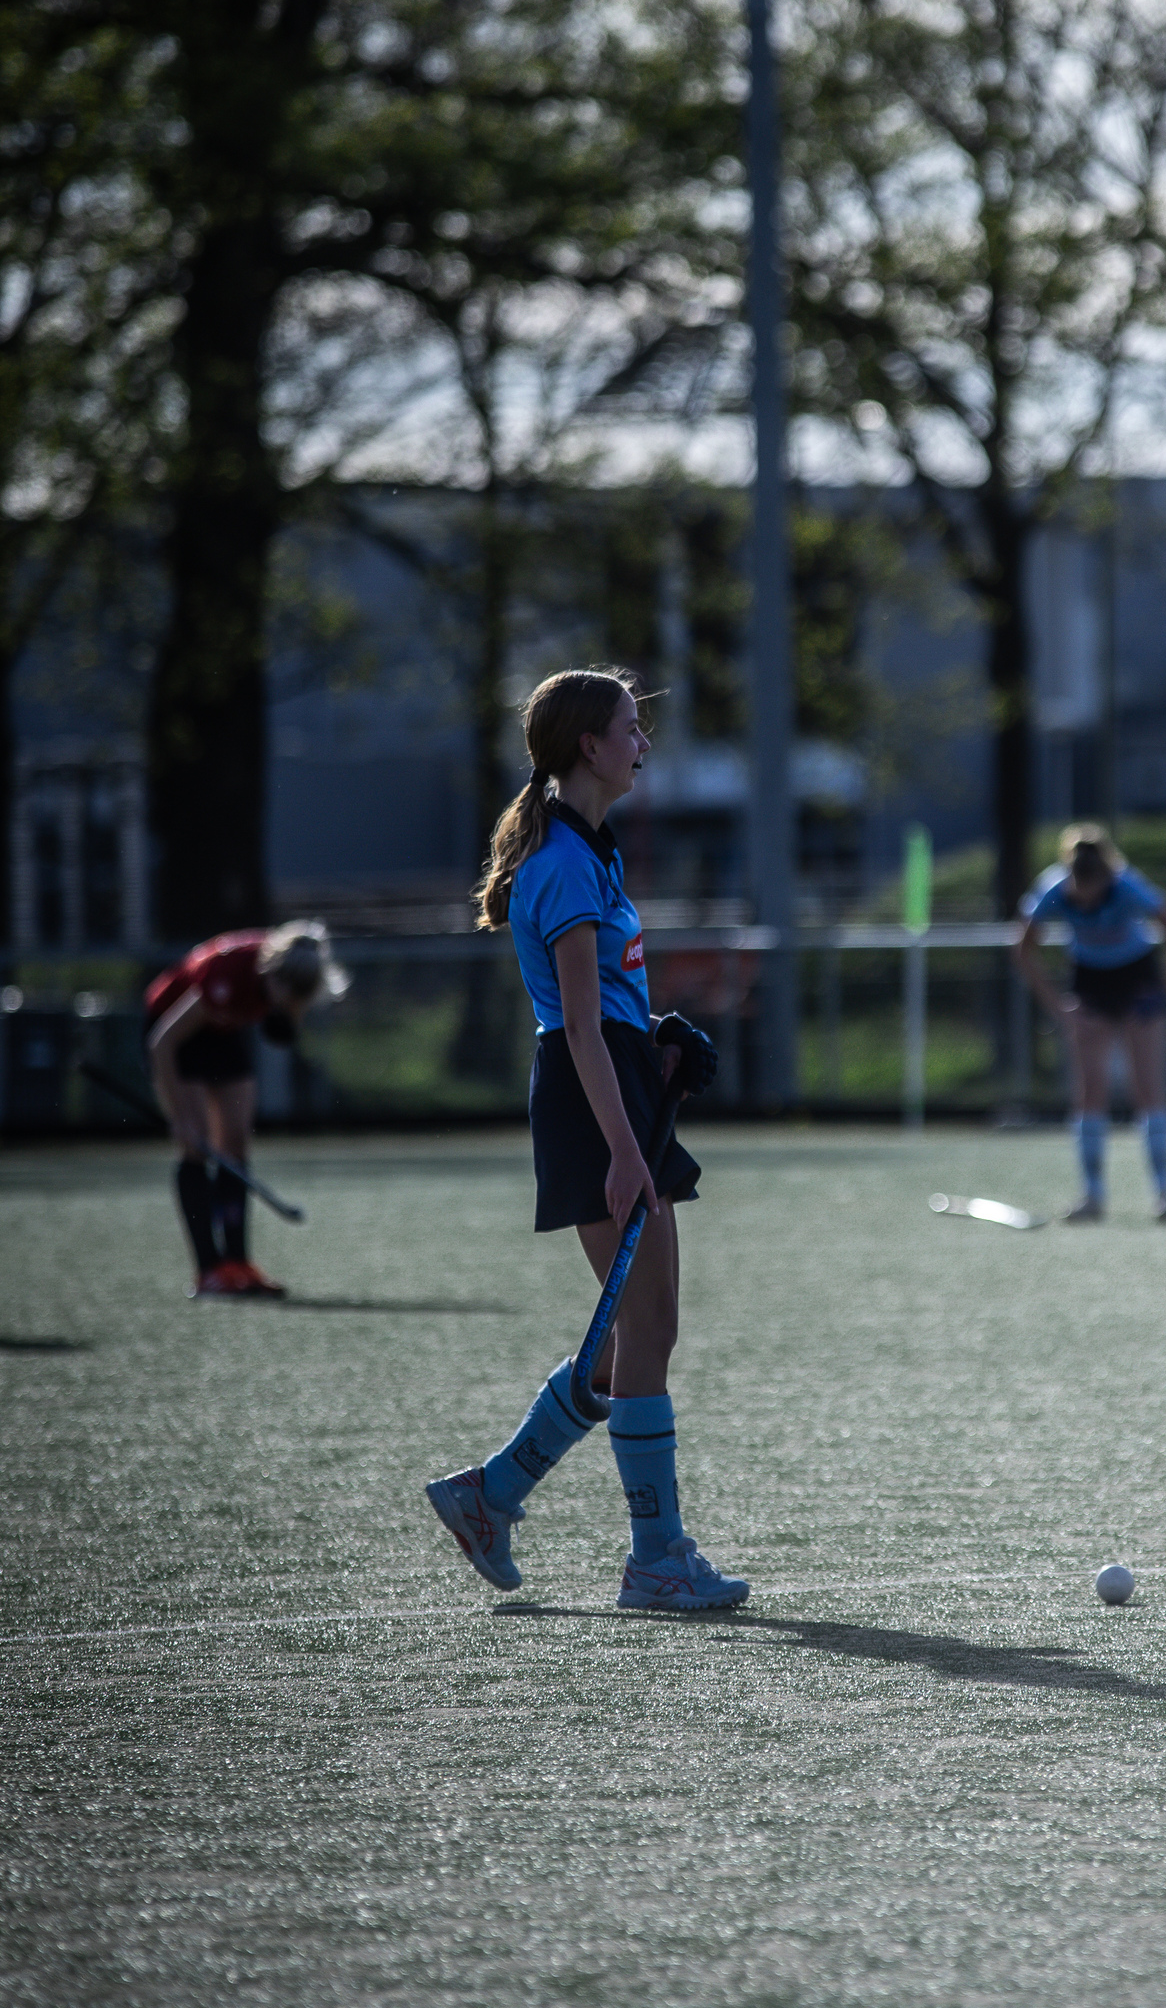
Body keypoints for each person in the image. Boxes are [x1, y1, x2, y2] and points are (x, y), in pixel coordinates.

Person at [423, 666, 747, 1614]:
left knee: (634, 1334)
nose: (644, 742)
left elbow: (603, 1011)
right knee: (645, 1329)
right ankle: (656, 1559)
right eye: (630, 729)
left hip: (612, 1083)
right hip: (589, 1101)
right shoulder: (563, 864)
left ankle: (491, 1493)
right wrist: (622, 1145)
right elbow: (571, 1025)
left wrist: (656, 1045)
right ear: (587, 748)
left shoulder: (589, 850)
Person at [144, 919, 348, 1295]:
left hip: (223, 1028)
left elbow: (282, 1011)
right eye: (285, 999)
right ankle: (209, 1271)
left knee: (235, 1144)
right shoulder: (228, 974)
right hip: (177, 1033)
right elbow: (162, 1043)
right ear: (271, 976)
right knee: (196, 1143)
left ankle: (238, 1264)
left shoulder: (289, 981)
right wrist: (180, 1117)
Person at [1012, 823, 1166, 1223]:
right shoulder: (1053, 889)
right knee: (1089, 1090)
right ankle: (1092, 1196)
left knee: (1147, 1087)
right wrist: (1057, 1006)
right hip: (1090, 983)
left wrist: (1164, 994)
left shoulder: (1127, 885)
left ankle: (1165, 1195)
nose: (1087, 900)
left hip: (1137, 979)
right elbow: (1023, 946)